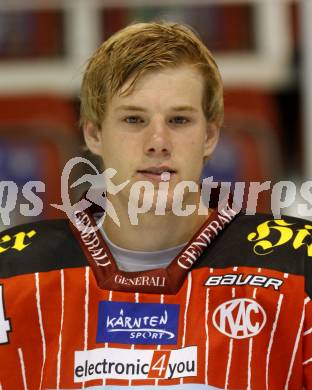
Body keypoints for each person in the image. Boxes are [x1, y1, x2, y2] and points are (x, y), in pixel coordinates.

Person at [0, 21, 311, 390]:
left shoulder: (298, 268)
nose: (158, 142)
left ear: (210, 135)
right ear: (94, 133)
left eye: (179, 120)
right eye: (134, 119)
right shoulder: (11, 275)